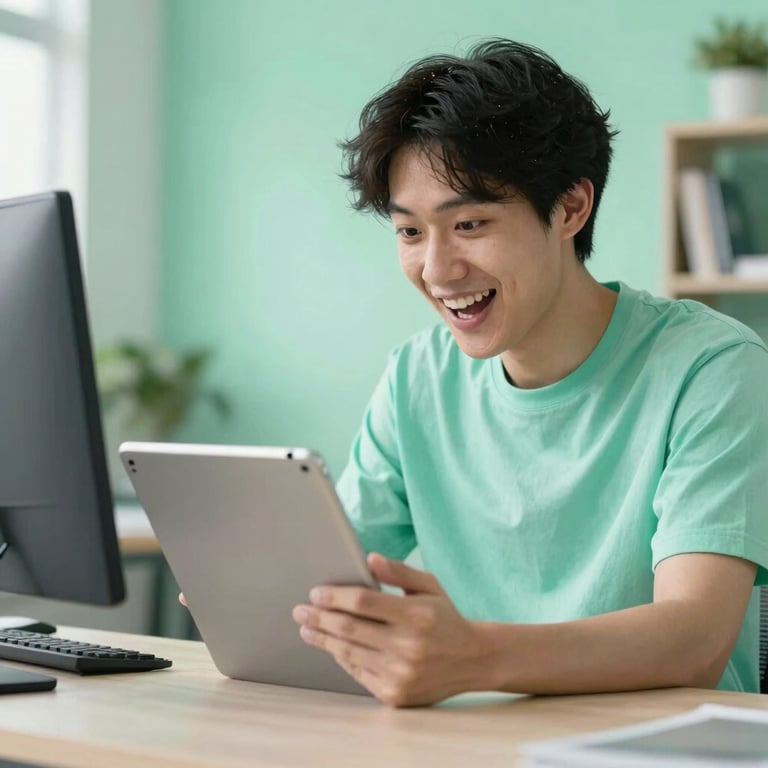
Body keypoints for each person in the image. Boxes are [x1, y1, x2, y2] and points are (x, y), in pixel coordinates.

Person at [285, 38, 768, 707]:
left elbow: (695, 639)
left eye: (470, 223)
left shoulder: (712, 368)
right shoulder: (415, 379)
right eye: (410, 232)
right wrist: (262, 586)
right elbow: (330, 580)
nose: (437, 269)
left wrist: (473, 657)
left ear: (571, 208)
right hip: (480, 742)